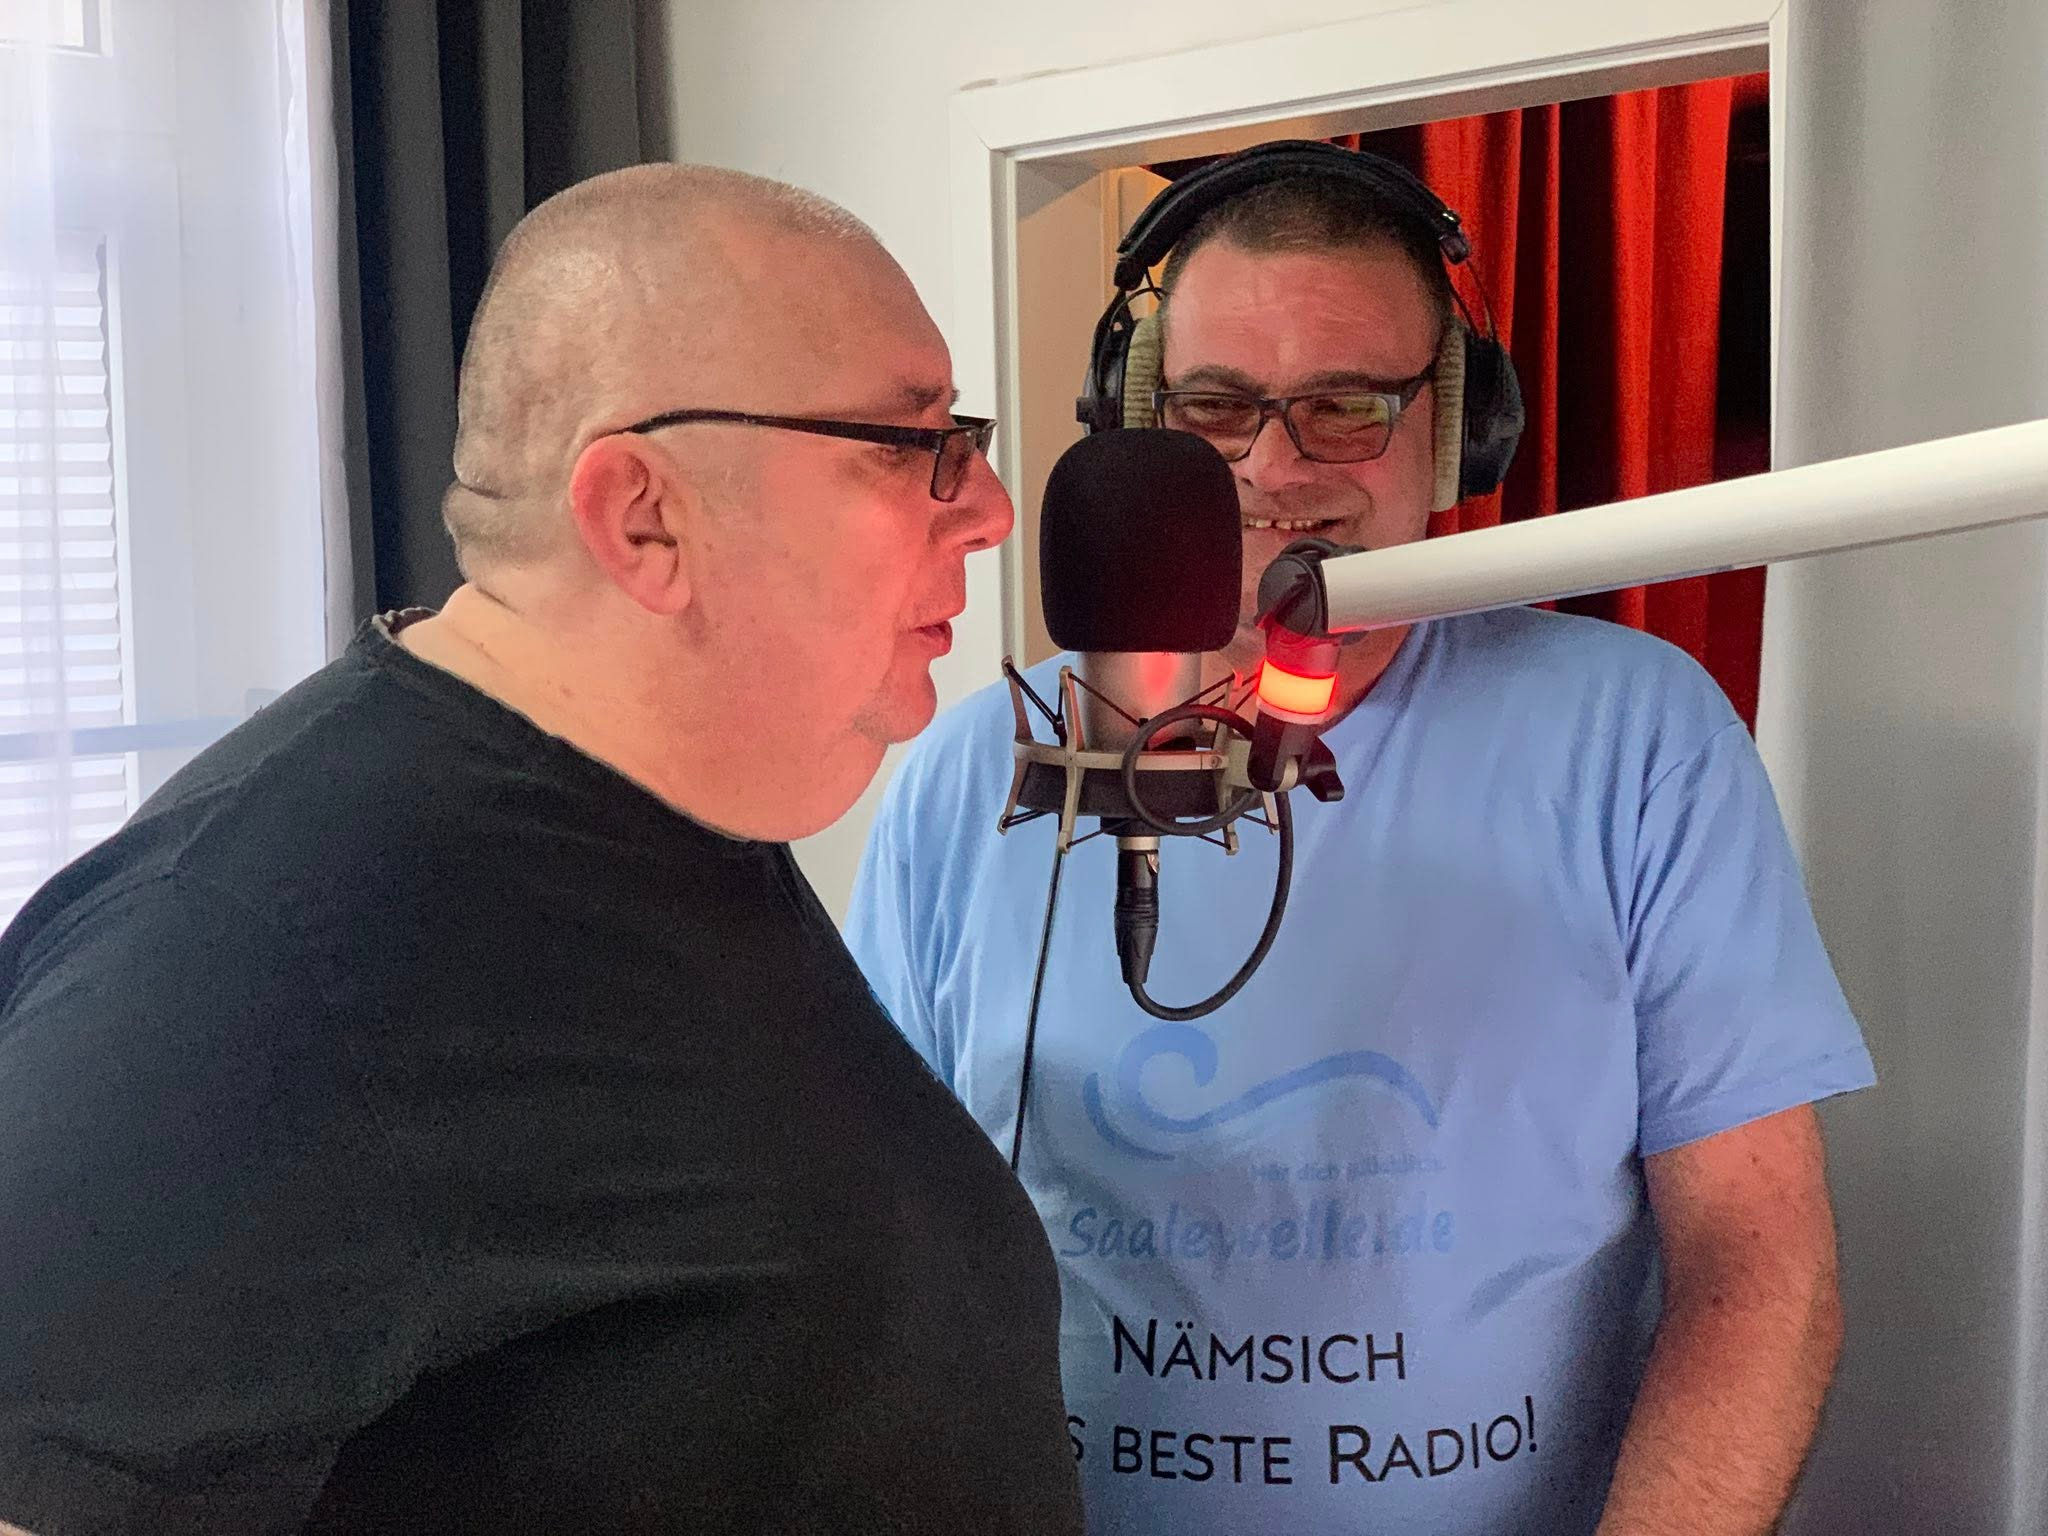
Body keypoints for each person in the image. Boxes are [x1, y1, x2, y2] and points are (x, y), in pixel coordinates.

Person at [0, 163, 1083, 1535]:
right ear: (643, 516)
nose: (990, 507)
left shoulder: (678, 823)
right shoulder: (243, 952)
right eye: (909, 442)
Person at [846, 146, 1875, 1535]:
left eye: (1346, 408)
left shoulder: (1635, 737)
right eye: (1216, 407)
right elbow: (874, 1243)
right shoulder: (974, 770)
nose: (1274, 467)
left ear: (1456, 430)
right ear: (1138, 421)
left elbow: (1757, 1263)